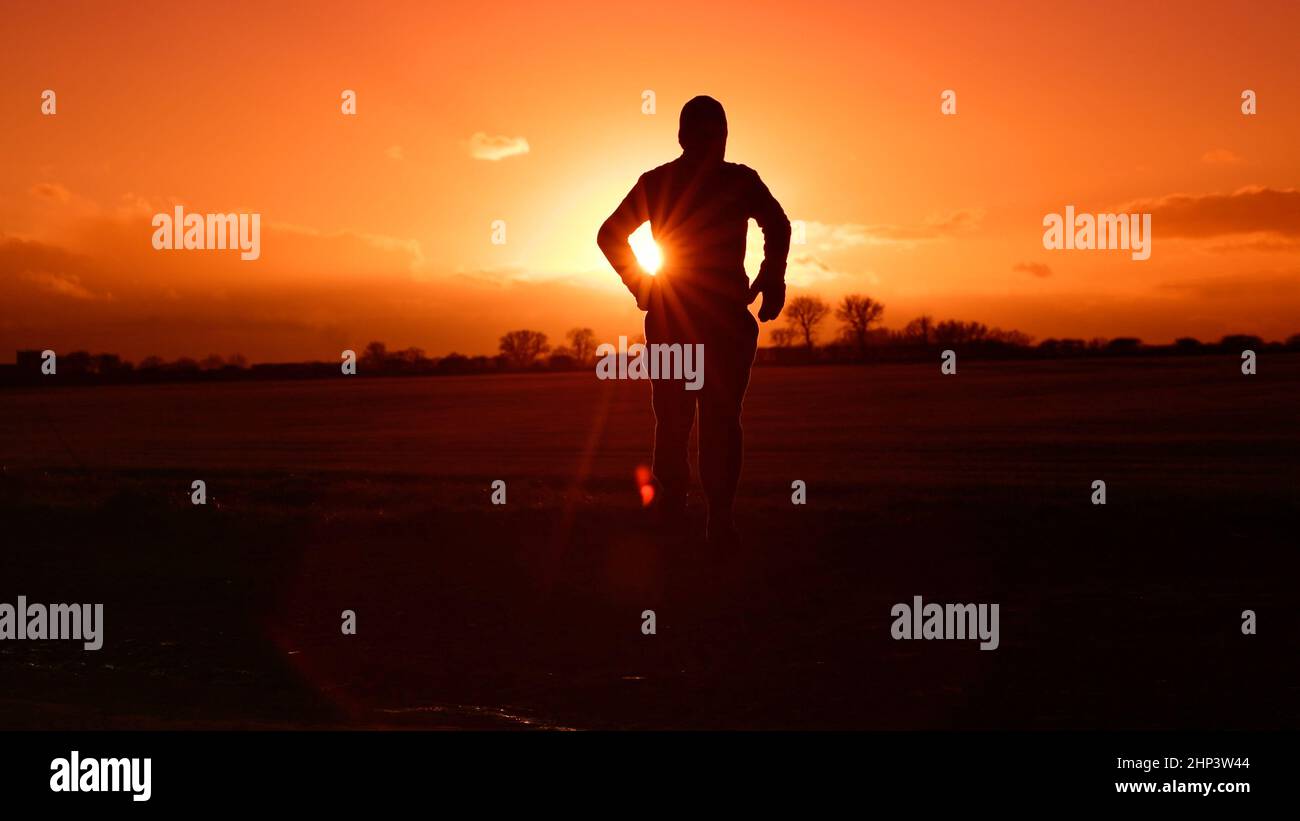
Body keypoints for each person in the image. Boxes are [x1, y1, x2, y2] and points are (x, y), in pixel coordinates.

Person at [597, 95, 791, 546]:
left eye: (716, 134)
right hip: (689, 317)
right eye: (705, 134)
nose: (711, 142)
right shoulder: (722, 181)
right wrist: (641, 285)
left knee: (695, 418)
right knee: (691, 418)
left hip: (697, 317)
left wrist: (772, 273)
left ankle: (702, 514)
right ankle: (694, 512)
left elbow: (777, 225)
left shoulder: (695, 181)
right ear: (684, 137)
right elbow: (609, 234)